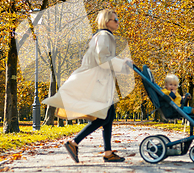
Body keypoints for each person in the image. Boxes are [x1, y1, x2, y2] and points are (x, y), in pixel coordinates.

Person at [42, 9, 133, 163]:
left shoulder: (104, 36)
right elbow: (102, 58)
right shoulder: (104, 36)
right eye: (114, 19)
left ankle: (108, 152)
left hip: (99, 81)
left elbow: (104, 57)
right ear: (106, 22)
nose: (117, 22)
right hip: (97, 82)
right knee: (105, 116)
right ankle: (74, 142)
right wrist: (122, 63)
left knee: (108, 116)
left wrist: (121, 62)